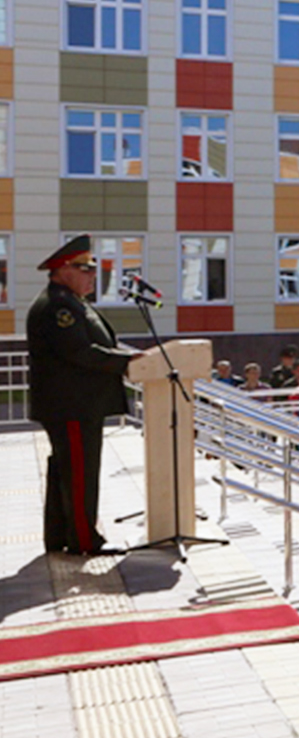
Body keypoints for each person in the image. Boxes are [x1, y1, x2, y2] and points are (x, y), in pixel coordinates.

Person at [26, 236, 141, 557]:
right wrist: (125, 362)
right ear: (63, 270)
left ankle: (59, 536)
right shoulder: (58, 305)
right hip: (72, 405)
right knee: (79, 473)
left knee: (67, 469)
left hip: (74, 403)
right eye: (85, 269)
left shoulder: (69, 300)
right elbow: (79, 351)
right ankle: (84, 541)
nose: (93, 275)